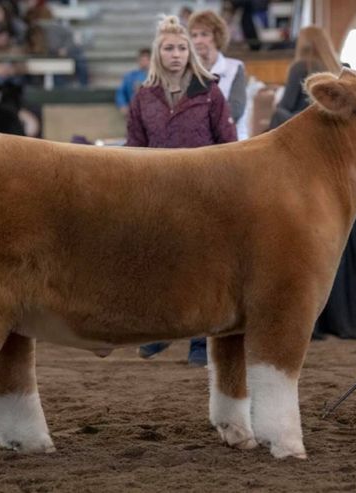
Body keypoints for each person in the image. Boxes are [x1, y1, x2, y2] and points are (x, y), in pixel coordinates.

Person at [126, 15, 237, 367]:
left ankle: (201, 341)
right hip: (158, 194)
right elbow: (134, 147)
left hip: (204, 193)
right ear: (158, 54)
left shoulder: (210, 92)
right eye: (168, 48)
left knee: (203, 267)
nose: (175, 53)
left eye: (181, 47)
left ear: (190, 52)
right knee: (162, 264)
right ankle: (161, 331)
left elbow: (229, 144)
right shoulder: (143, 97)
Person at [269, 26, 341, 129]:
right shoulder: (342, 68)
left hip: (307, 124)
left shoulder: (300, 67)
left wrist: (275, 100)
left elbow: (287, 104)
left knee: (277, 114)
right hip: (332, 123)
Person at [188, 10, 247, 136]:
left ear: (217, 36)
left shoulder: (235, 67)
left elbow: (235, 110)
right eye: (194, 35)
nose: (198, 40)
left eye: (204, 34)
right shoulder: (187, 71)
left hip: (231, 140)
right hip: (196, 140)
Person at [115, 48, 150, 118]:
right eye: (142, 60)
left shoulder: (158, 77)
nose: (144, 62)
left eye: (146, 60)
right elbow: (120, 93)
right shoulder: (130, 76)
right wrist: (122, 105)